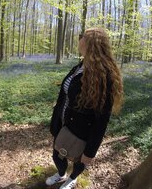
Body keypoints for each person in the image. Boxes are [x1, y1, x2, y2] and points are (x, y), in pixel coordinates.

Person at [46, 27, 124, 189]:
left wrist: (90, 152)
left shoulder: (105, 75)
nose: (79, 39)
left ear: (90, 43)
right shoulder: (80, 65)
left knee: (79, 159)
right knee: (57, 155)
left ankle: (72, 178)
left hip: (82, 130)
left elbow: (102, 119)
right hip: (63, 121)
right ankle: (61, 174)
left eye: (82, 36)